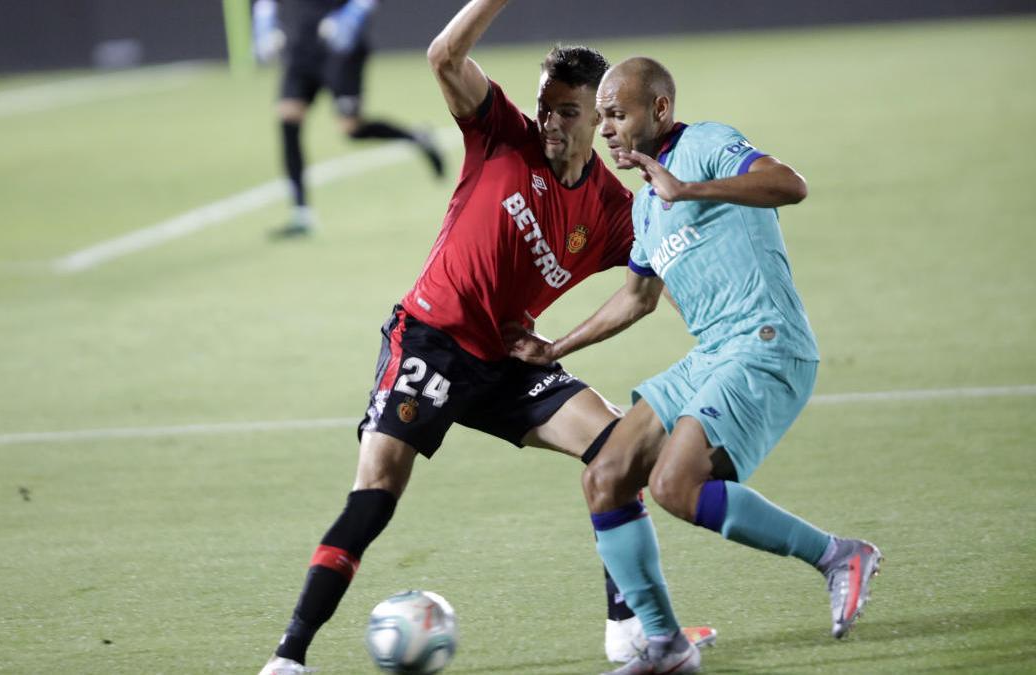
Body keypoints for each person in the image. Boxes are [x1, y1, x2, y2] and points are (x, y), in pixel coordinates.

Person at [256, 2, 723, 673]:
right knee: (377, 490)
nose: (552, 121)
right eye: (546, 105)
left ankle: (630, 630)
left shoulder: (612, 212)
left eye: (569, 110)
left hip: (508, 359)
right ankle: (289, 657)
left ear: (600, 117)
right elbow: (443, 57)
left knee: (621, 451)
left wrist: (723, 335)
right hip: (430, 342)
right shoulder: (502, 134)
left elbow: (664, 279)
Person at [506, 56, 883, 674]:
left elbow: (789, 183)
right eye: (601, 118)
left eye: (616, 115)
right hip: (711, 354)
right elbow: (636, 298)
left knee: (676, 487)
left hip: (764, 343)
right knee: (605, 474)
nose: (605, 130)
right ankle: (664, 645)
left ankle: (838, 555)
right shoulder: (645, 206)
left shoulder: (705, 146)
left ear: (659, 110)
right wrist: (555, 349)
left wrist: (690, 189)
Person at [251, 0, 446, 237]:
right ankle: (301, 213)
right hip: (301, 47)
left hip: (340, 51)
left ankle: (417, 137)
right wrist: (264, 23)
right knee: (288, 118)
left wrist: (351, 16)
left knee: (351, 128)